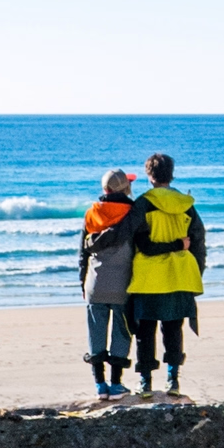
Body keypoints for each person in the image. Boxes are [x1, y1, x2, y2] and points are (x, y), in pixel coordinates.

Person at [125, 151, 206, 398]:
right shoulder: (186, 204)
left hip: (149, 277)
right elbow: (199, 242)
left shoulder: (143, 203)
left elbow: (138, 243)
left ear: (149, 176)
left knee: (145, 331)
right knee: (173, 329)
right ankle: (173, 379)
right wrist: (196, 273)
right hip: (181, 275)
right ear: (171, 174)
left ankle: (146, 382)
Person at [79, 168, 137, 399]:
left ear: (105, 189)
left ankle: (99, 385)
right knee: (122, 332)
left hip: (95, 282)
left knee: (96, 332)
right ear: (126, 188)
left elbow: (82, 253)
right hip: (123, 283)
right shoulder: (132, 214)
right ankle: (115, 384)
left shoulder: (92, 213)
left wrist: (82, 282)